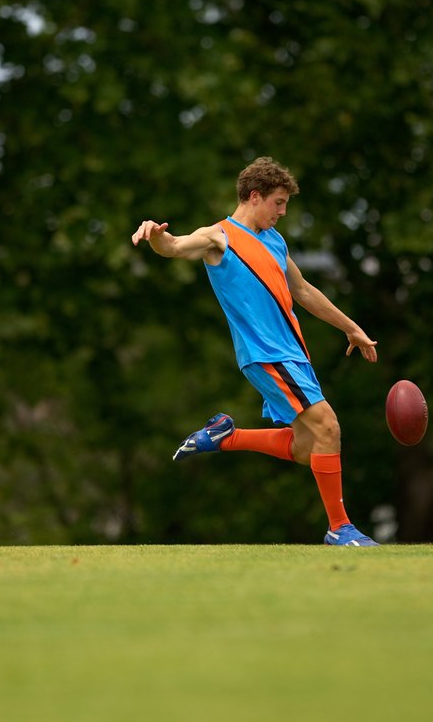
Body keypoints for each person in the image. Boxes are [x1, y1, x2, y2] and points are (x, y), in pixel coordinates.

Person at [131, 157, 379, 546]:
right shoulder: (219, 237)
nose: (282, 212)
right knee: (329, 426)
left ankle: (225, 436)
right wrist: (156, 235)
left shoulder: (275, 241)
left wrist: (352, 328)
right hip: (266, 356)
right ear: (254, 196)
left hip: (294, 355)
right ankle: (340, 528)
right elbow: (176, 246)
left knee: (307, 449)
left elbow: (304, 291)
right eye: (278, 203)